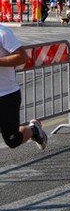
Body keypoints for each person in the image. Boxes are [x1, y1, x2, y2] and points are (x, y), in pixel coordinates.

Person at [0, 23, 47, 151]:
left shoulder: (3, 33)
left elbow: (22, 57)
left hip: (6, 95)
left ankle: (33, 129)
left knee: (13, 140)